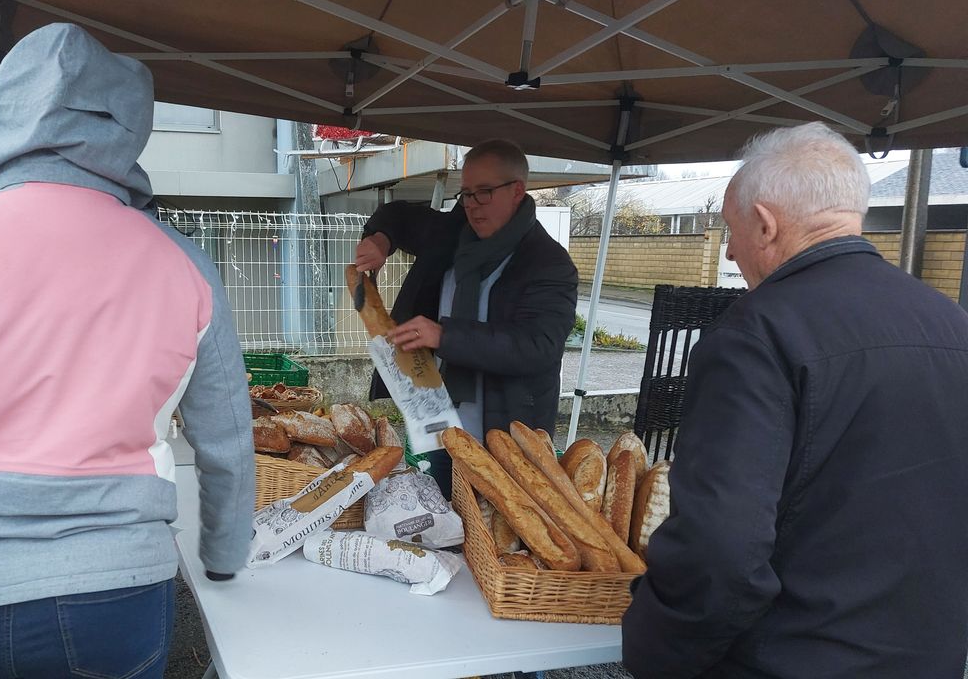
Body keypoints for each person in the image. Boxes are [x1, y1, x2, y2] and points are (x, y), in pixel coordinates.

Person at [0, 23, 254, 678]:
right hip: (116, 595)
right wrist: (222, 556)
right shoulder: (183, 264)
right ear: (128, 125)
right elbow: (226, 437)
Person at [622, 122, 968, 678]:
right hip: (929, 659)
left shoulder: (756, 334)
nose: (730, 253)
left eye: (731, 231)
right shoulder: (953, 323)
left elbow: (720, 548)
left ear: (764, 222)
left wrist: (654, 652)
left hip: (789, 659)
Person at [354, 139, 578, 497]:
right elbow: (396, 216)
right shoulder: (453, 233)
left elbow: (537, 346)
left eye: (484, 193)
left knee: (495, 541)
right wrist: (380, 240)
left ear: (517, 191)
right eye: (466, 194)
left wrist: (445, 336)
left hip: (506, 437)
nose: (472, 206)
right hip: (438, 427)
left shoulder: (548, 264)